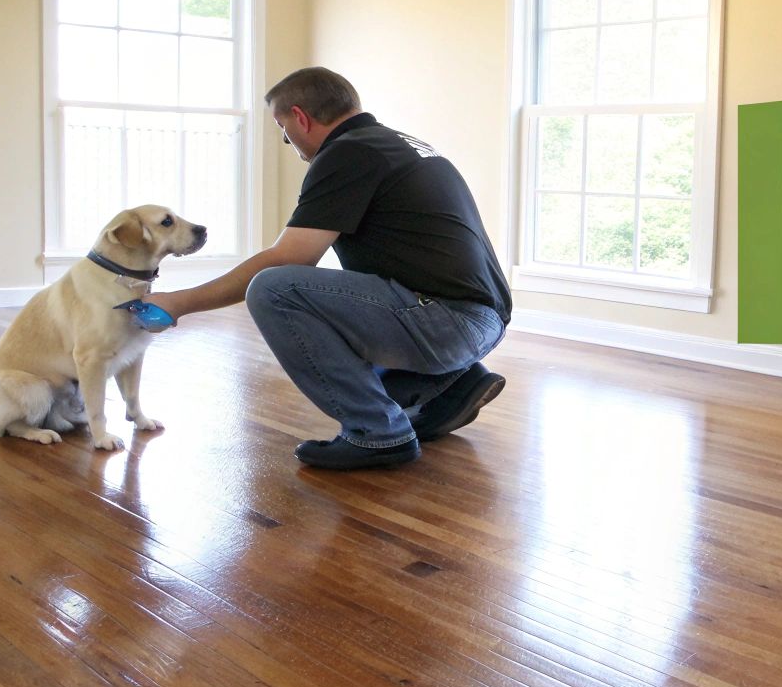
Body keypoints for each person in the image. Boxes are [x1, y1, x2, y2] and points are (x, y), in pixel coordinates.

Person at [143, 66, 510, 470]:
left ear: (300, 117)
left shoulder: (347, 153)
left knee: (275, 289)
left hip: (450, 323)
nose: (285, 138)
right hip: (482, 319)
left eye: (282, 126)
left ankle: (378, 433)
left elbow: (290, 258)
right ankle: (451, 384)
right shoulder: (397, 144)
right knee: (334, 292)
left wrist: (178, 303)